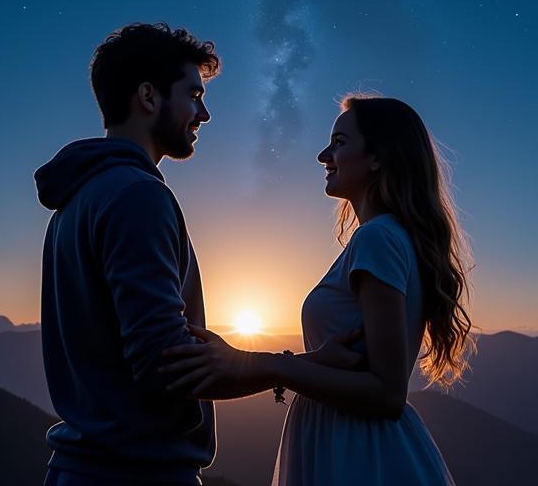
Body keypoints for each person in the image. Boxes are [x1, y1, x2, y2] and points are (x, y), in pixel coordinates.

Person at [160, 94, 473, 485]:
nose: (324, 155)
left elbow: (388, 394)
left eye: (339, 143)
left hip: (358, 453)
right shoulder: (384, 238)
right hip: (346, 442)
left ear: (378, 157)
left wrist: (267, 363)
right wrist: (288, 362)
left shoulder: (378, 239)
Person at [34, 22, 221, 486]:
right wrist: (279, 369)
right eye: (194, 95)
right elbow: (163, 360)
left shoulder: (78, 199)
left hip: (81, 470)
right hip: (136, 473)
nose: (204, 114)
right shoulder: (138, 197)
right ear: (149, 96)